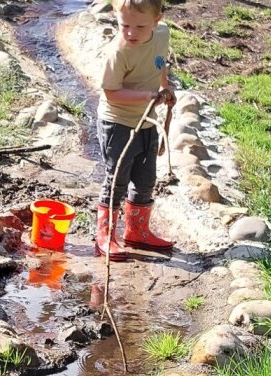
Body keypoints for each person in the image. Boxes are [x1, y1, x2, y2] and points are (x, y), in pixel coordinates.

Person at [95, 0, 176, 261]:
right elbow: (111, 93)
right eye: (124, 25)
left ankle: (136, 231)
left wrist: (165, 86)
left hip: (146, 121)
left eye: (140, 26)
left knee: (146, 179)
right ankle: (105, 236)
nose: (131, 32)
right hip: (117, 122)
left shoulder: (162, 34)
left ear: (156, 20)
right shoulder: (117, 53)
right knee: (116, 180)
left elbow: (160, 61)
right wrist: (149, 95)